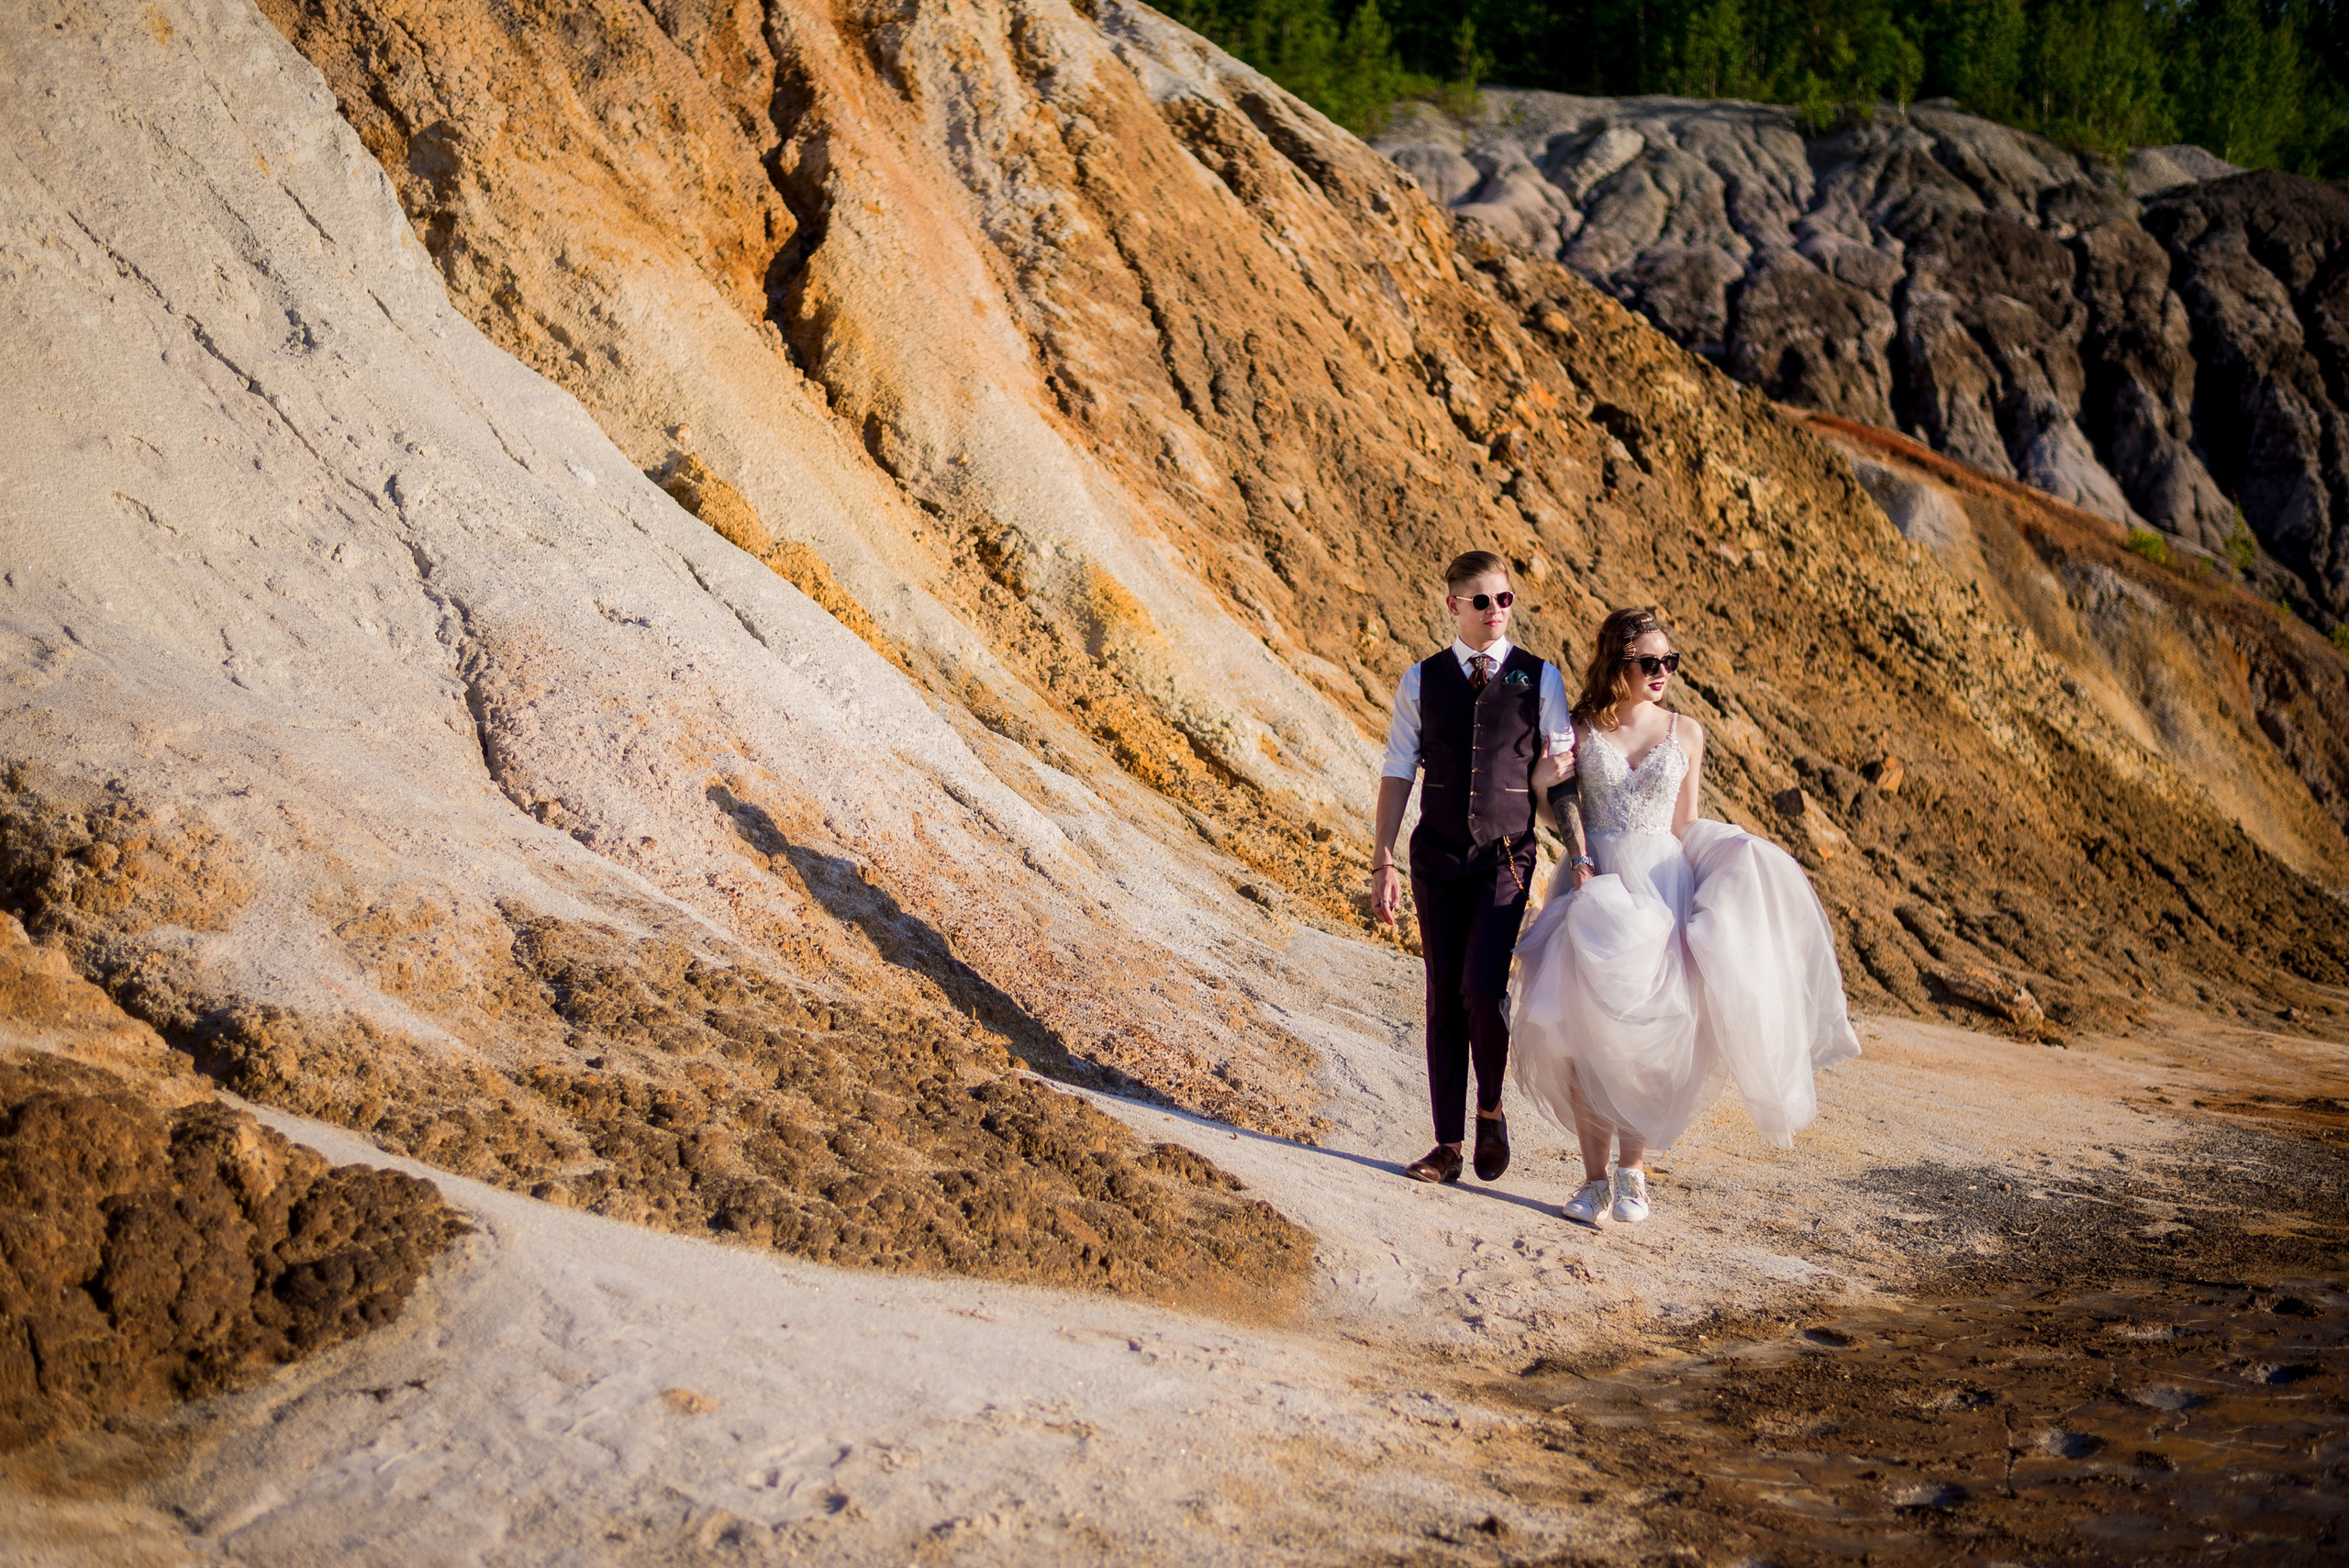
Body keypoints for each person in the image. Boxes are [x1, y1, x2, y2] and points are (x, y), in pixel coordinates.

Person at [1510, 607, 1861, 1227]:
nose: (1662, 672)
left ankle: (1633, 1173)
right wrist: (1541, 784)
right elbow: (1562, 811)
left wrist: (1732, 859)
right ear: (1617, 662)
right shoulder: (1581, 728)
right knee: (1581, 1035)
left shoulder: (1687, 732)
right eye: (1649, 661)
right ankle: (1593, 1182)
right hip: (1595, 881)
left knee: (1652, 1039)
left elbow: (1685, 822)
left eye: (1669, 661)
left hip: (1661, 887)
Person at [1370, 551, 1574, 1185]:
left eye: (1504, 599)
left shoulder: (1541, 678)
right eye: (1482, 600)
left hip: (1505, 856)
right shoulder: (1420, 680)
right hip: (1435, 857)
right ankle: (1448, 1145)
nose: (1495, 611)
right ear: (1453, 605)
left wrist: (1580, 849)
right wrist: (1383, 858)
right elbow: (1398, 769)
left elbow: (1562, 777)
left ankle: (1490, 1108)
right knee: (1443, 998)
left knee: (1482, 990)